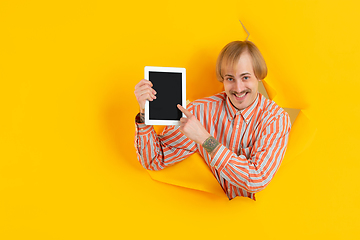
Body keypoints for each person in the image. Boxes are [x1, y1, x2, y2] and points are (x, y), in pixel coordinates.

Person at [134, 41, 291, 200]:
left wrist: (204, 139)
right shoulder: (199, 112)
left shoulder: (275, 119)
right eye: (230, 78)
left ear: (258, 76)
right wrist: (144, 114)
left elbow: (256, 178)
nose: (238, 88)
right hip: (209, 217)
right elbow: (155, 160)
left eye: (245, 77)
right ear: (222, 79)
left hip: (260, 220)